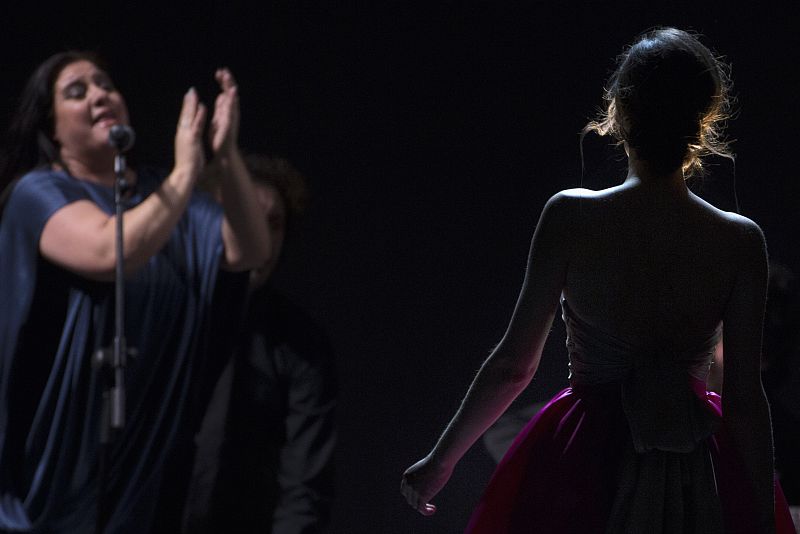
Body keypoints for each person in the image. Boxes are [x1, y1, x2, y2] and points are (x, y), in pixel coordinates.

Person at [400, 28, 797, 533]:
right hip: (696, 469)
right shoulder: (739, 241)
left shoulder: (571, 218)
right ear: (704, 119)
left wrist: (441, 461)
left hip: (584, 460)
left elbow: (514, 367)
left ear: (619, 113)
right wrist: (761, 519)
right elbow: (745, 401)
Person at [0, 51, 269, 533]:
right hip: (52, 470)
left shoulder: (161, 196)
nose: (99, 95)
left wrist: (226, 157)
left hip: (143, 470)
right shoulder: (37, 193)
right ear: (52, 128)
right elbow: (110, 251)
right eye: (77, 91)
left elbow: (248, 249)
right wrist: (185, 173)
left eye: (105, 84)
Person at [182, 154, 336, 534]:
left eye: (274, 224)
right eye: (245, 214)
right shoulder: (168, 311)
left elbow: (304, 491)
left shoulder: (302, 343)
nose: (261, 237)